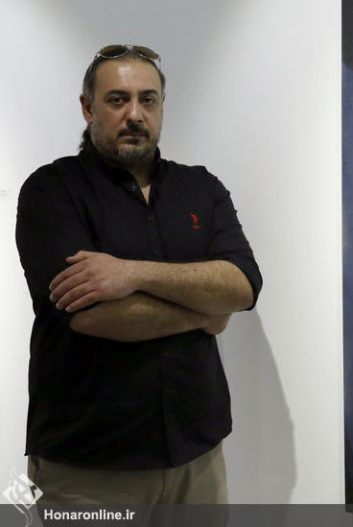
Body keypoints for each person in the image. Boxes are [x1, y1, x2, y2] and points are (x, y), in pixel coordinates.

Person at [15, 44, 262, 505]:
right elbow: (92, 315)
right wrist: (205, 313)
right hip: (89, 467)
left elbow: (243, 285)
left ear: (162, 105)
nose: (134, 114)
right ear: (88, 107)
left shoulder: (201, 188)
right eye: (117, 100)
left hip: (197, 458)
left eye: (148, 100)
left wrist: (131, 274)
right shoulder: (51, 191)